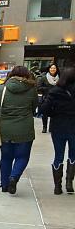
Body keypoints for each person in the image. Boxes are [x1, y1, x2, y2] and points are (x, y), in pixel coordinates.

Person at [0, 66, 38, 195]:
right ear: (26, 75)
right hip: (25, 129)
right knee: (22, 157)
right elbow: (34, 108)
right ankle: (14, 177)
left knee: (6, 157)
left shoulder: (1, 89)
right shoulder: (32, 90)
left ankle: (4, 185)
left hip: (5, 129)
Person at [39, 67, 75, 195]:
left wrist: (54, 113)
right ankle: (69, 183)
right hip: (73, 126)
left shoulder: (54, 91)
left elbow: (44, 109)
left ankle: (57, 187)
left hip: (58, 126)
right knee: (73, 155)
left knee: (58, 155)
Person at [36, 63, 59, 133]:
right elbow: (38, 87)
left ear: (56, 69)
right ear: (49, 69)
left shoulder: (59, 77)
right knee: (45, 113)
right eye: (51, 68)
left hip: (57, 98)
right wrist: (47, 89)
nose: (53, 69)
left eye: (54, 68)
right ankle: (44, 127)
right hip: (46, 98)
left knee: (55, 113)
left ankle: (52, 127)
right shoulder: (43, 77)